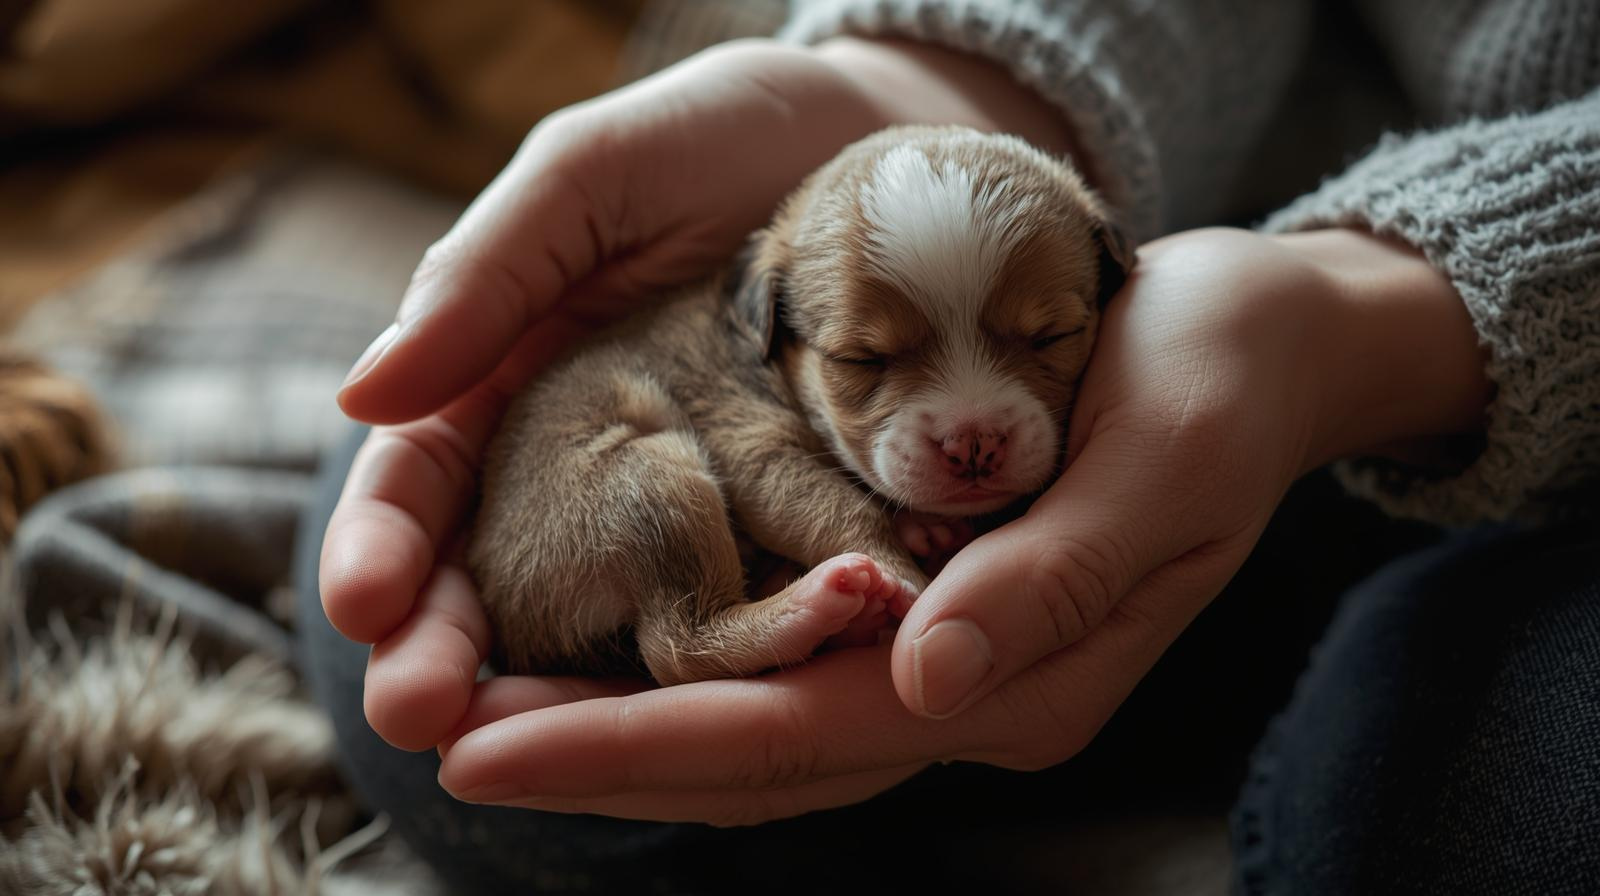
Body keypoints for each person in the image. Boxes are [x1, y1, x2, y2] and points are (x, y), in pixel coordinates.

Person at [303, 1, 1600, 892]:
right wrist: (934, 73)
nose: (971, 426)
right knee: (409, 692)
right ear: (775, 325)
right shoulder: (750, 316)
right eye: (872, 364)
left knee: (1479, 827)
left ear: (1110, 270)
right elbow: (758, 459)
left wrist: (1365, 332)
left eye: (1044, 339)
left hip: (1393, 340)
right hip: (1223, 186)